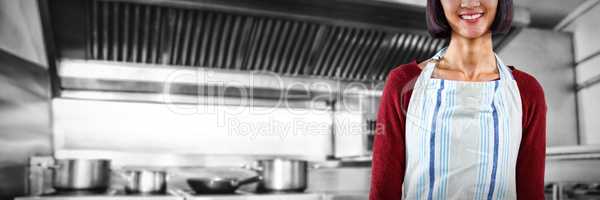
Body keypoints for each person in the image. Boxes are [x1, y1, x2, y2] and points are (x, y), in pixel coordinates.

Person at [369, 0, 547, 199]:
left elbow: (531, 192)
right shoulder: (403, 83)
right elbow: (383, 192)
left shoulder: (527, 91)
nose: (470, 2)